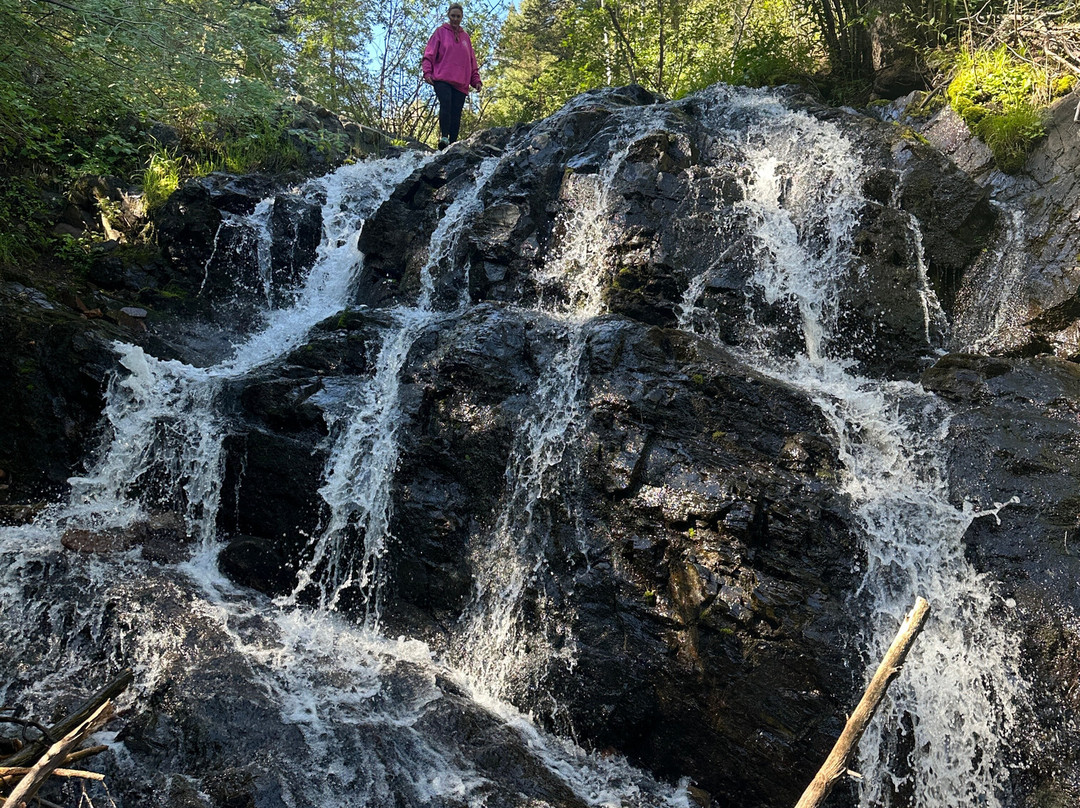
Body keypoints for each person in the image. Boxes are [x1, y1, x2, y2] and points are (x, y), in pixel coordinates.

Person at [422, 3, 482, 148]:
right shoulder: (440, 32)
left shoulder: (465, 38)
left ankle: (453, 143)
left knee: (456, 112)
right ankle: (444, 137)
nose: (455, 19)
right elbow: (429, 53)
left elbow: (471, 61)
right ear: (449, 16)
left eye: (458, 16)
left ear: (461, 18)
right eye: (453, 16)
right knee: (446, 103)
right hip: (442, 78)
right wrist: (427, 71)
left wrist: (476, 80)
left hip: (461, 81)